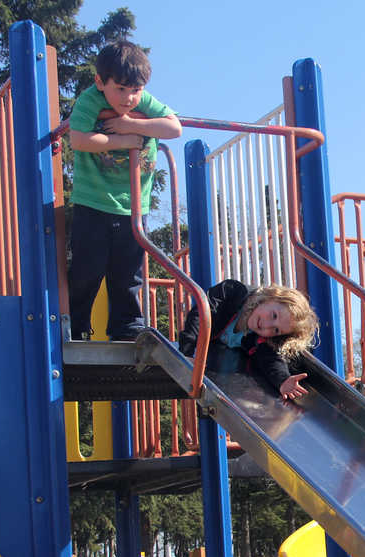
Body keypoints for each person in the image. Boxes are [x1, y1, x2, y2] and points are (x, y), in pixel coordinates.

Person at [68, 40, 182, 342]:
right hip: (93, 202)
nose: (129, 98)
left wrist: (132, 124)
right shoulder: (90, 101)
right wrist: (123, 140)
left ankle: (127, 325)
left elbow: (174, 128)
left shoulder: (142, 103)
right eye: (120, 89)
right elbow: (78, 139)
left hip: (133, 206)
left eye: (136, 90)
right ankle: (76, 324)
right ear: (100, 82)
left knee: (128, 272)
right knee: (87, 269)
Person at [177, 279, 318, 400]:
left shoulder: (259, 338)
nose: (268, 325)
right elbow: (200, 316)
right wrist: (187, 352)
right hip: (196, 345)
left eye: (276, 330)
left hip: (218, 362)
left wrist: (283, 380)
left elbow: (270, 359)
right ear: (271, 297)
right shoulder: (231, 292)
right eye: (274, 315)